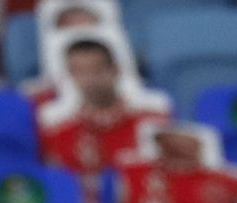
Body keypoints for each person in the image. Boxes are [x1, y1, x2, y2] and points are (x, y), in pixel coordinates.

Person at [37, 36, 170, 194]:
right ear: (70, 75)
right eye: (79, 72)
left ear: (115, 70)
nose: (89, 79)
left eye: (96, 70)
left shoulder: (151, 123)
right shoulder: (58, 135)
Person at [114, 123, 237, 203]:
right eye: (170, 141)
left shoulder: (228, 181)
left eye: (186, 142)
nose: (177, 147)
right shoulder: (133, 172)